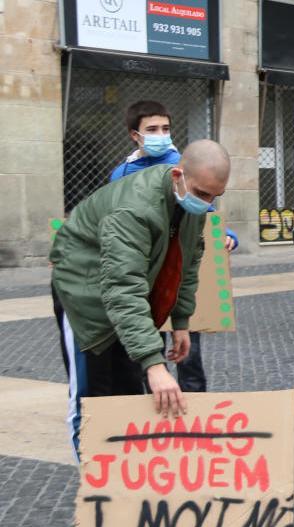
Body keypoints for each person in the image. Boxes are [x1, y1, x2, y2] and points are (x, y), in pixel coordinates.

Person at [51, 140, 231, 459]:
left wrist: (181, 322)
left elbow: (187, 262)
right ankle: (96, 489)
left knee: (129, 392)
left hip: (126, 288)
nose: (208, 203)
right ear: (178, 175)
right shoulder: (135, 207)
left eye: (216, 196)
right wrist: (153, 362)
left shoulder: (190, 199)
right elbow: (123, 285)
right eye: (203, 194)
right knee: (92, 397)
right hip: (83, 292)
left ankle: (124, 480)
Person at [109, 99, 239, 393]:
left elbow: (202, 211)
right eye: (152, 129)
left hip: (178, 266)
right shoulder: (122, 175)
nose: (161, 134)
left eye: (165, 128)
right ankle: (158, 398)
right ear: (135, 135)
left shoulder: (186, 165)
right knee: (149, 344)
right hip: (144, 271)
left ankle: (194, 404)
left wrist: (224, 234)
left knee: (188, 351)